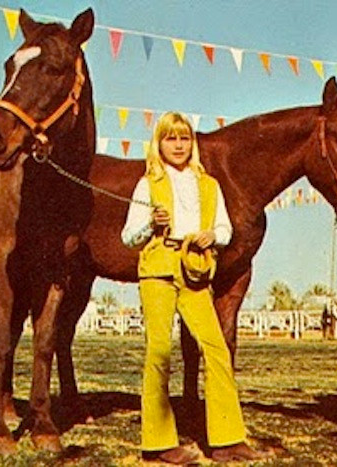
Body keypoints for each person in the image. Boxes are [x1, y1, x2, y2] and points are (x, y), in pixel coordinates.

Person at [121, 112, 266, 464]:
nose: (178, 145)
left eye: (184, 138)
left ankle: (228, 439)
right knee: (158, 350)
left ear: (192, 143)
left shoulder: (209, 185)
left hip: (196, 270)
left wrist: (213, 236)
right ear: (159, 143)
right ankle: (158, 443)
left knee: (215, 348)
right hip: (157, 268)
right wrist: (150, 226)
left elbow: (226, 230)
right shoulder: (148, 184)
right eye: (170, 139)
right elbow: (129, 237)